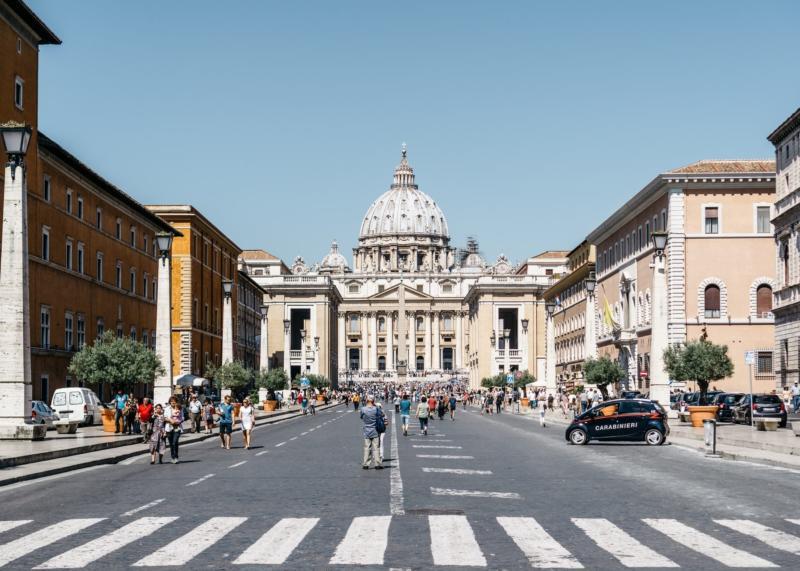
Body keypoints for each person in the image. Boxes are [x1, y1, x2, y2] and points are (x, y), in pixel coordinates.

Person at [360, 395, 383, 469]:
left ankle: (366, 464)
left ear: (367, 400)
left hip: (366, 430)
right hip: (375, 430)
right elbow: (381, 415)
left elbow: (361, 417)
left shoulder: (363, 409)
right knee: (376, 448)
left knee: (367, 447)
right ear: (373, 401)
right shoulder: (376, 409)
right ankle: (377, 464)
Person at [163, 396, 183, 464]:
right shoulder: (167, 408)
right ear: (170, 402)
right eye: (171, 402)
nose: (173, 403)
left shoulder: (179, 408)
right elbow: (165, 417)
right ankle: (173, 457)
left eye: (174, 402)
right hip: (169, 427)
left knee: (175, 442)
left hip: (177, 427)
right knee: (171, 444)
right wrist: (170, 420)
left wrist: (178, 422)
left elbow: (182, 417)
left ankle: (176, 457)